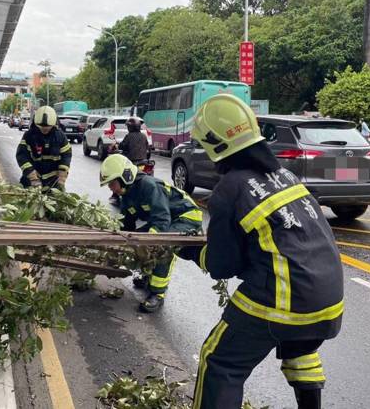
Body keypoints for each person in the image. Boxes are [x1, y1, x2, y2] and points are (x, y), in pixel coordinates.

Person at [177, 94, 344, 409]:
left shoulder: (229, 189)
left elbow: (222, 266)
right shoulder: (286, 176)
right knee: (300, 349)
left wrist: (190, 251)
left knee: (220, 362)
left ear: (215, 143)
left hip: (282, 300)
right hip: (329, 300)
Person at [99, 154, 202, 312]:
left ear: (125, 177)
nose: (111, 188)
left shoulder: (148, 186)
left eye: (112, 183)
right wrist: (120, 242)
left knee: (161, 247)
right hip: (166, 219)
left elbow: (161, 219)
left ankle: (157, 294)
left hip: (186, 217)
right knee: (140, 241)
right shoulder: (126, 196)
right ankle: (148, 276)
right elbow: (127, 225)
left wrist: (148, 241)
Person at [16, 106, 72, 190]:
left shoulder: (60, 137)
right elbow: (22, 156)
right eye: (41, 127)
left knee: (55, 202)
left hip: (53, 183)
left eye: (47, 127)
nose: (44, 129)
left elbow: (66, 155)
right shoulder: (29, 136)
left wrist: (62, 177)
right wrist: (32, 176)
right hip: (31, 181)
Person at [109, 117, 151, 203]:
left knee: (117, 175)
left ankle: (115, 195)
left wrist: (117, 146)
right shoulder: (143, 136)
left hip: (131, 162)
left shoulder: (129, 136)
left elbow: (122, 146)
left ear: (130, 127)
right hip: (144, 161)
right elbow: (147, 147)